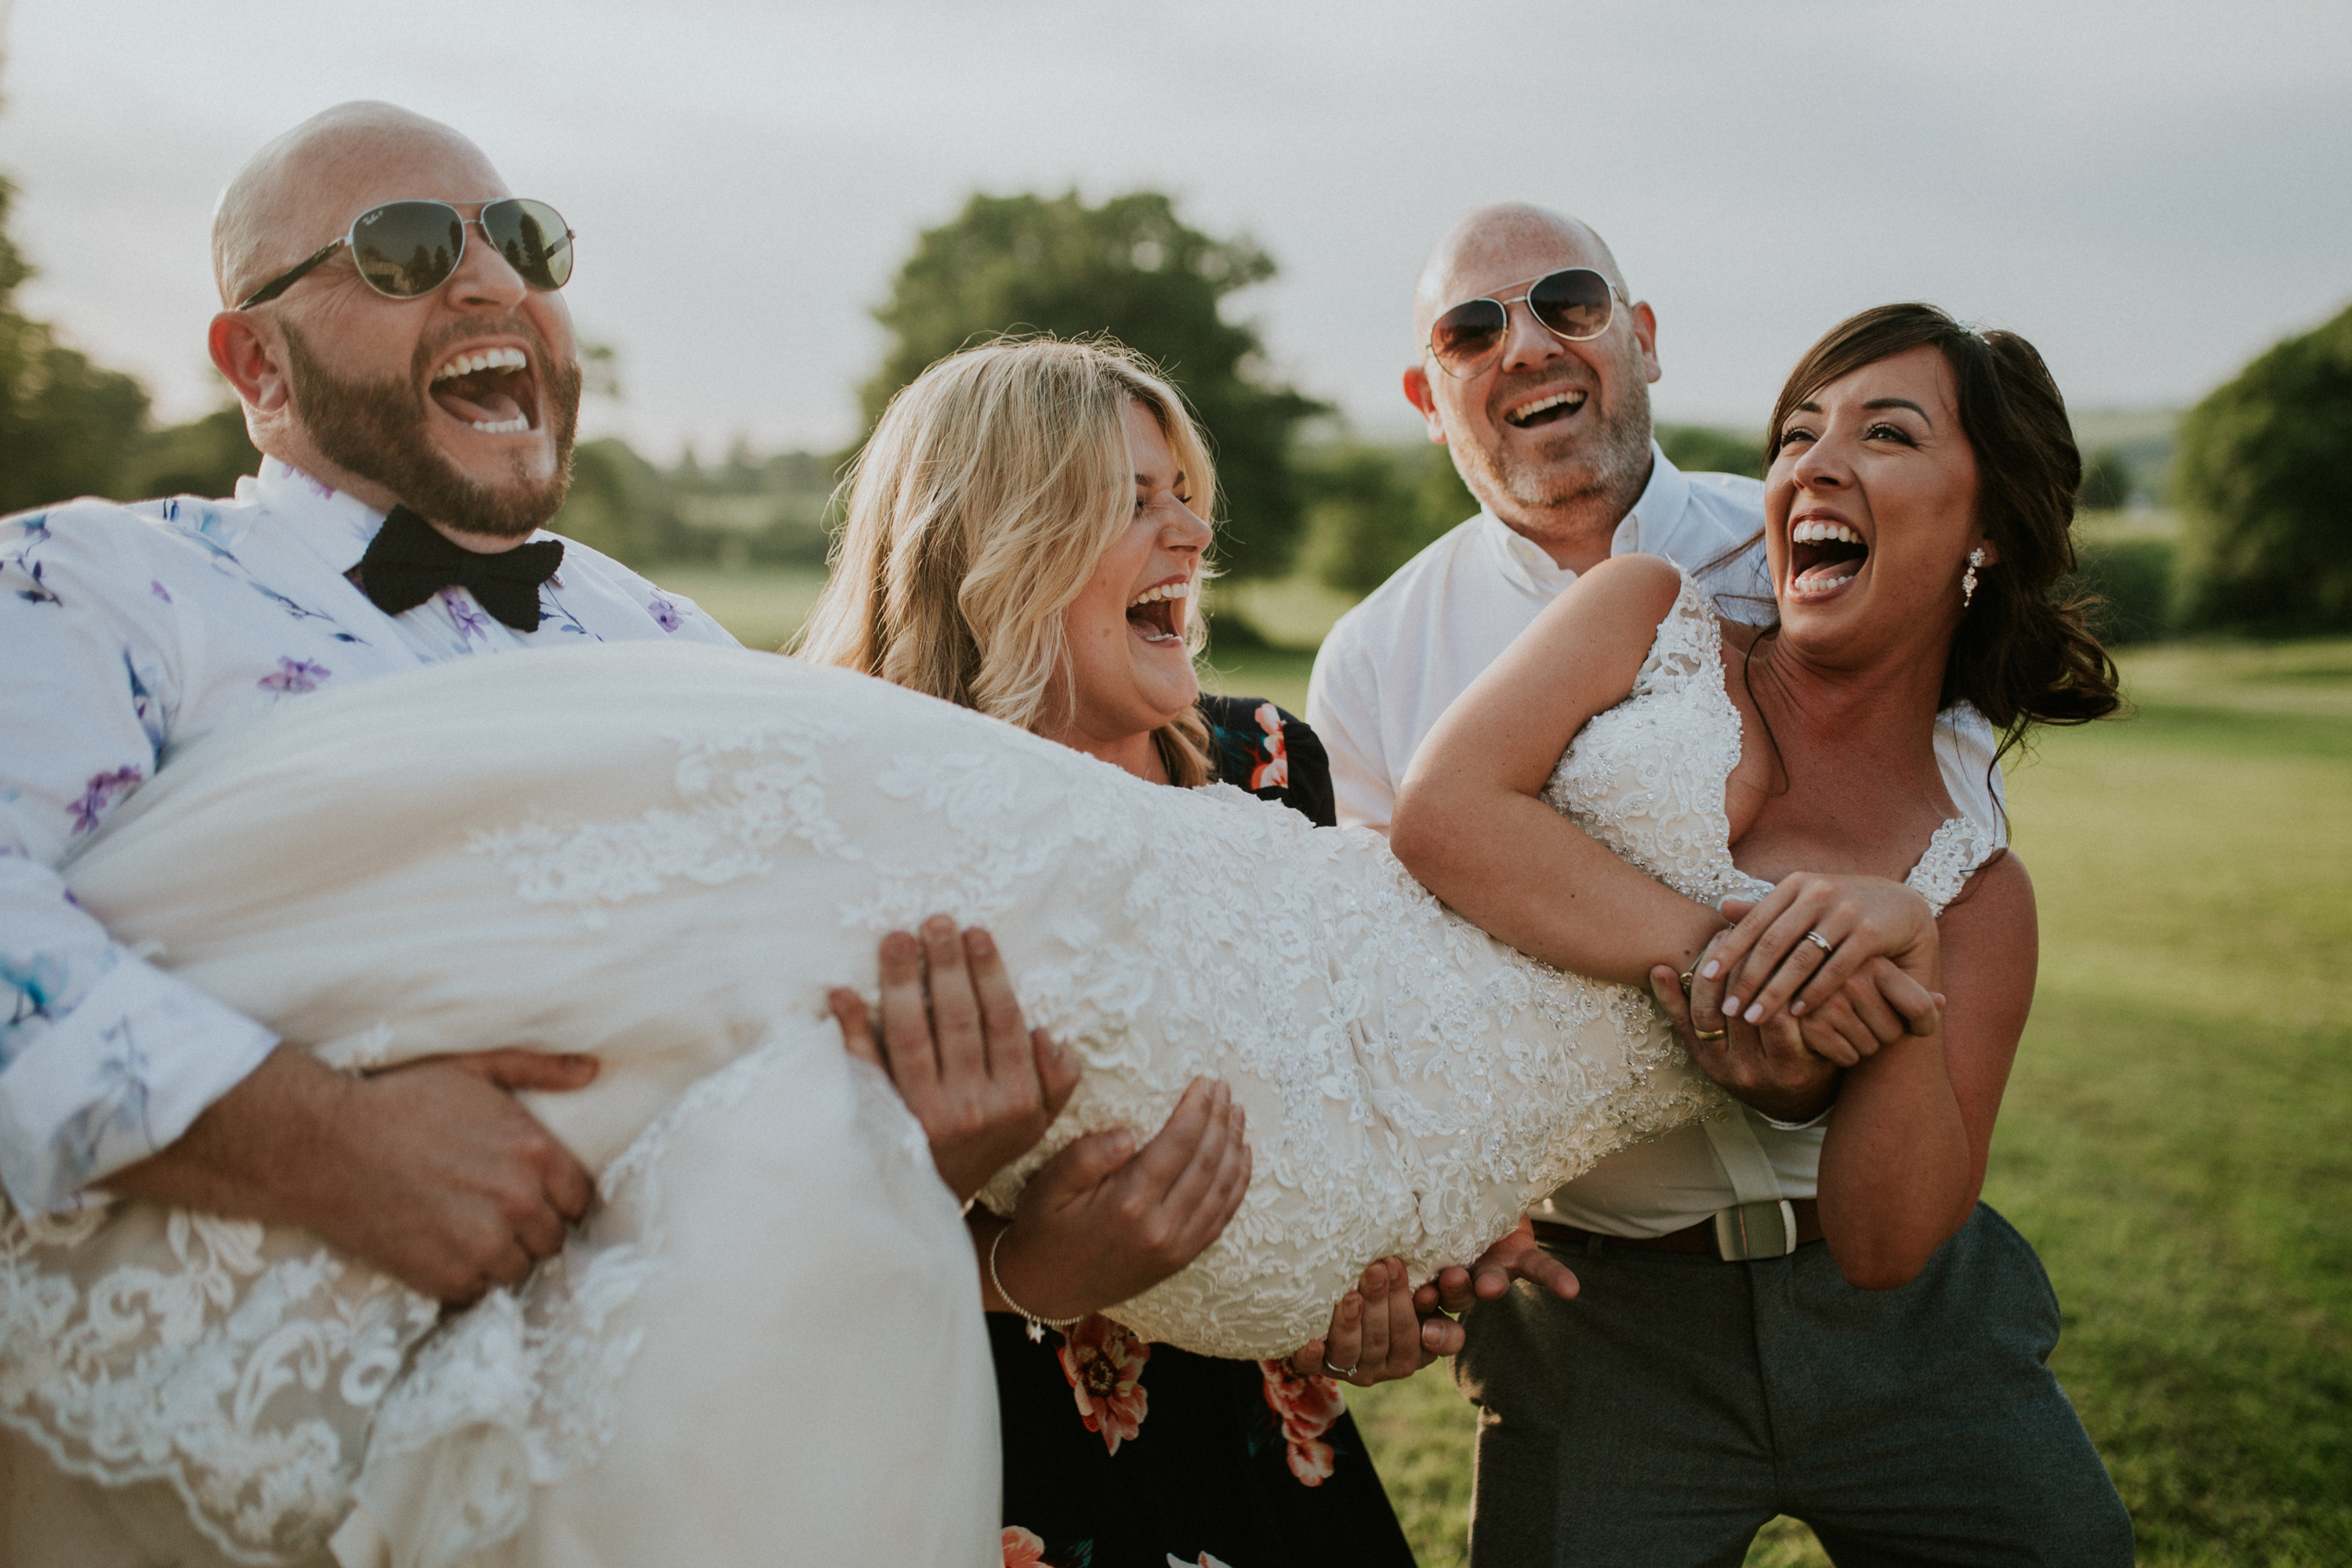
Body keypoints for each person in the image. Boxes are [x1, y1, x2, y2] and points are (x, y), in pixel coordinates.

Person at [0, 102, 1064, 1566]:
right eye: (407, 251)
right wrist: (323, 1145)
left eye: (525, 241)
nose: (494, 282)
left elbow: (765, 1011)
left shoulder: (674, 643)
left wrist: (906, 1140)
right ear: (257, 362)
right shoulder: (98, 583)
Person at [1310, 200, 2132, 1565]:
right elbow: (1379, 966)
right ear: (1429, 389)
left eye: (1566, 303)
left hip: (1903, 1313)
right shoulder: (1382, 654)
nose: (1525, 344)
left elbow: (1939, 848)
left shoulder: (1791, 568)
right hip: (1600, 1306)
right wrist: (1729, 964)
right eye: (1472, 327)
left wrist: (1882, 981)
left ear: (1636, 338)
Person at [799, 337, 1421, 1568]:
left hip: (1258, 1462)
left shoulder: (1269, 770)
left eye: (1183, 491)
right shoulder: (845, 824)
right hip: (977, 1459)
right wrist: (1026, 1272)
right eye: (1132, 501)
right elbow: (772, 1218)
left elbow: (1329, 1107)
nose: (1190, 532)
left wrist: (1362, 1283)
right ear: (994, 539)